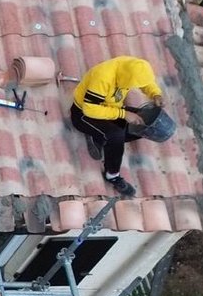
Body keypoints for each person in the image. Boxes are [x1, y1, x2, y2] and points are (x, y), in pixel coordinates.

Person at [68, 55, 171, 199]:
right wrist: (124, 114)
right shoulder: (103, 77)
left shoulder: (132, 67)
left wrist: (155, 94)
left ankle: (100, 137)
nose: (133, 86)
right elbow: (89, 109)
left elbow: (145, 82)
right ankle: (112, 175)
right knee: (116, 135)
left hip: (111, 109)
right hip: (83, 115)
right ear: (126, 78)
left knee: (148, 124)